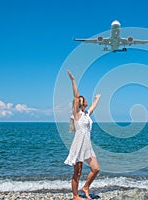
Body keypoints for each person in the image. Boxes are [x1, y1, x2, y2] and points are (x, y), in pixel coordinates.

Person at [64, 70, 101, 200]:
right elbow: (75, 96)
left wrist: (97, 99)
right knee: (77, 172)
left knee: (96, 169)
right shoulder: (77, 114)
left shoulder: (86, 114)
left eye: (83, 99)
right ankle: (75, 196)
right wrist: (73, 80)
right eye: (82, 100)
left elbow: (92, 107)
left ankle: (85, 187)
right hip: (78, 146)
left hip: (87, 146)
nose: (83, 101)